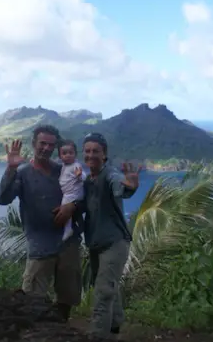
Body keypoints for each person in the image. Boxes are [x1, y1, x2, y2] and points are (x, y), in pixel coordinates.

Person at [0, 125, 82, 322]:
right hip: (39, 245)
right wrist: (10, 168)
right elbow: (3, 198)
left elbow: (81, 196)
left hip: (67, 243)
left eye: (51, 145)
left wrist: (72, 206)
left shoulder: (63, 171)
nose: (46, 148)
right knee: (33, 300)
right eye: (42, 143)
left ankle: (61, 332)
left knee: (66, 298)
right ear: (34, 143)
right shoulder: (23, 173)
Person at [81, 132, 140, 339]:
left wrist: (129, 187)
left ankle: (97, 337)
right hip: (97, 244)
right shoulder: (88, 180)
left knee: (102, 293)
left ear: (104, 154)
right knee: (109, 289)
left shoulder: (109, 174)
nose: (91, 155)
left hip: (114, 243)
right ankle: (114, 330)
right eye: (87, 151)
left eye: (96, 151)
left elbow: (118, 186)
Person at [58, 139, 87, 241]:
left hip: (73, 193)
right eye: (64, 153)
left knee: (64, 209)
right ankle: (81, 226)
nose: (68, 155)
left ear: (75, 154)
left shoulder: (76, 165)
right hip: (69, 193)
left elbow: (84, 177)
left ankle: (68, 229)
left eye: (71, 153)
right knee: (68, 209)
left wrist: (80, 175)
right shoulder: (65, 165)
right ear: (60, 156)